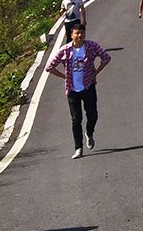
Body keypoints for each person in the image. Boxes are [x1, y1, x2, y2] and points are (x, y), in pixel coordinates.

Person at [45, 22, 111, 159]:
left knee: (93, 114)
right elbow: (49, 66)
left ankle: (89, 132)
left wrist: (95, 73)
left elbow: (106, 58)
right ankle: (78, 148)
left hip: (88, 86)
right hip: (72, 89)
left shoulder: (91, 46)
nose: (79, 35)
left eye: (82, 33)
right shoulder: (65, 50)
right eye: (77, 33)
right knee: (76, 119)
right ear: (72, 35)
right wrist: (64, 77)